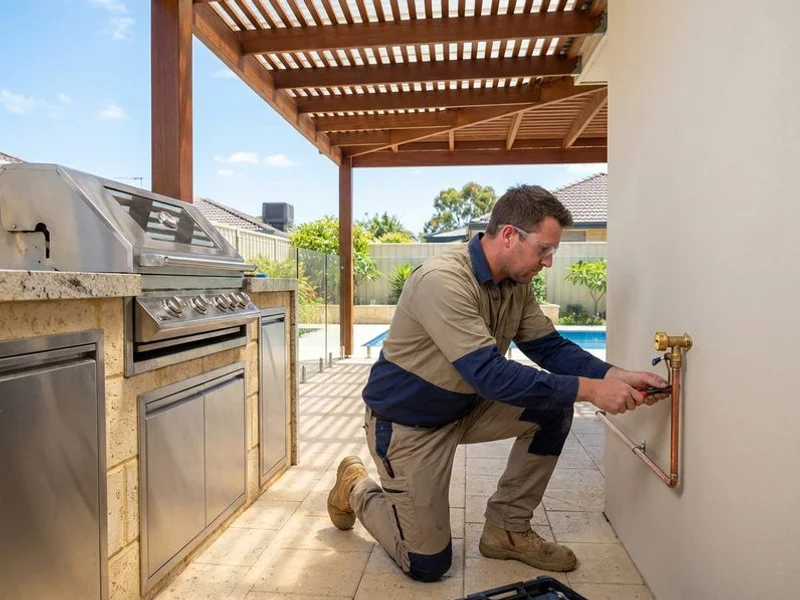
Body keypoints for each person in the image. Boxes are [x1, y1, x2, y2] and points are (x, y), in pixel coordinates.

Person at [326, 184, 669, 582]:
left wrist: (613, 375)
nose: (549, 262)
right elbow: (489, 374)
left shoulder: (515, 284)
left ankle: (506, 529)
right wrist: (590, 392)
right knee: (427, 565)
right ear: (509, 235)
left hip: (466, 406)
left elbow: (549, 348)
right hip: (408, 426)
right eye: (544, 249)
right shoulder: (443, 280)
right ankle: (355, 487)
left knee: (552, 408)